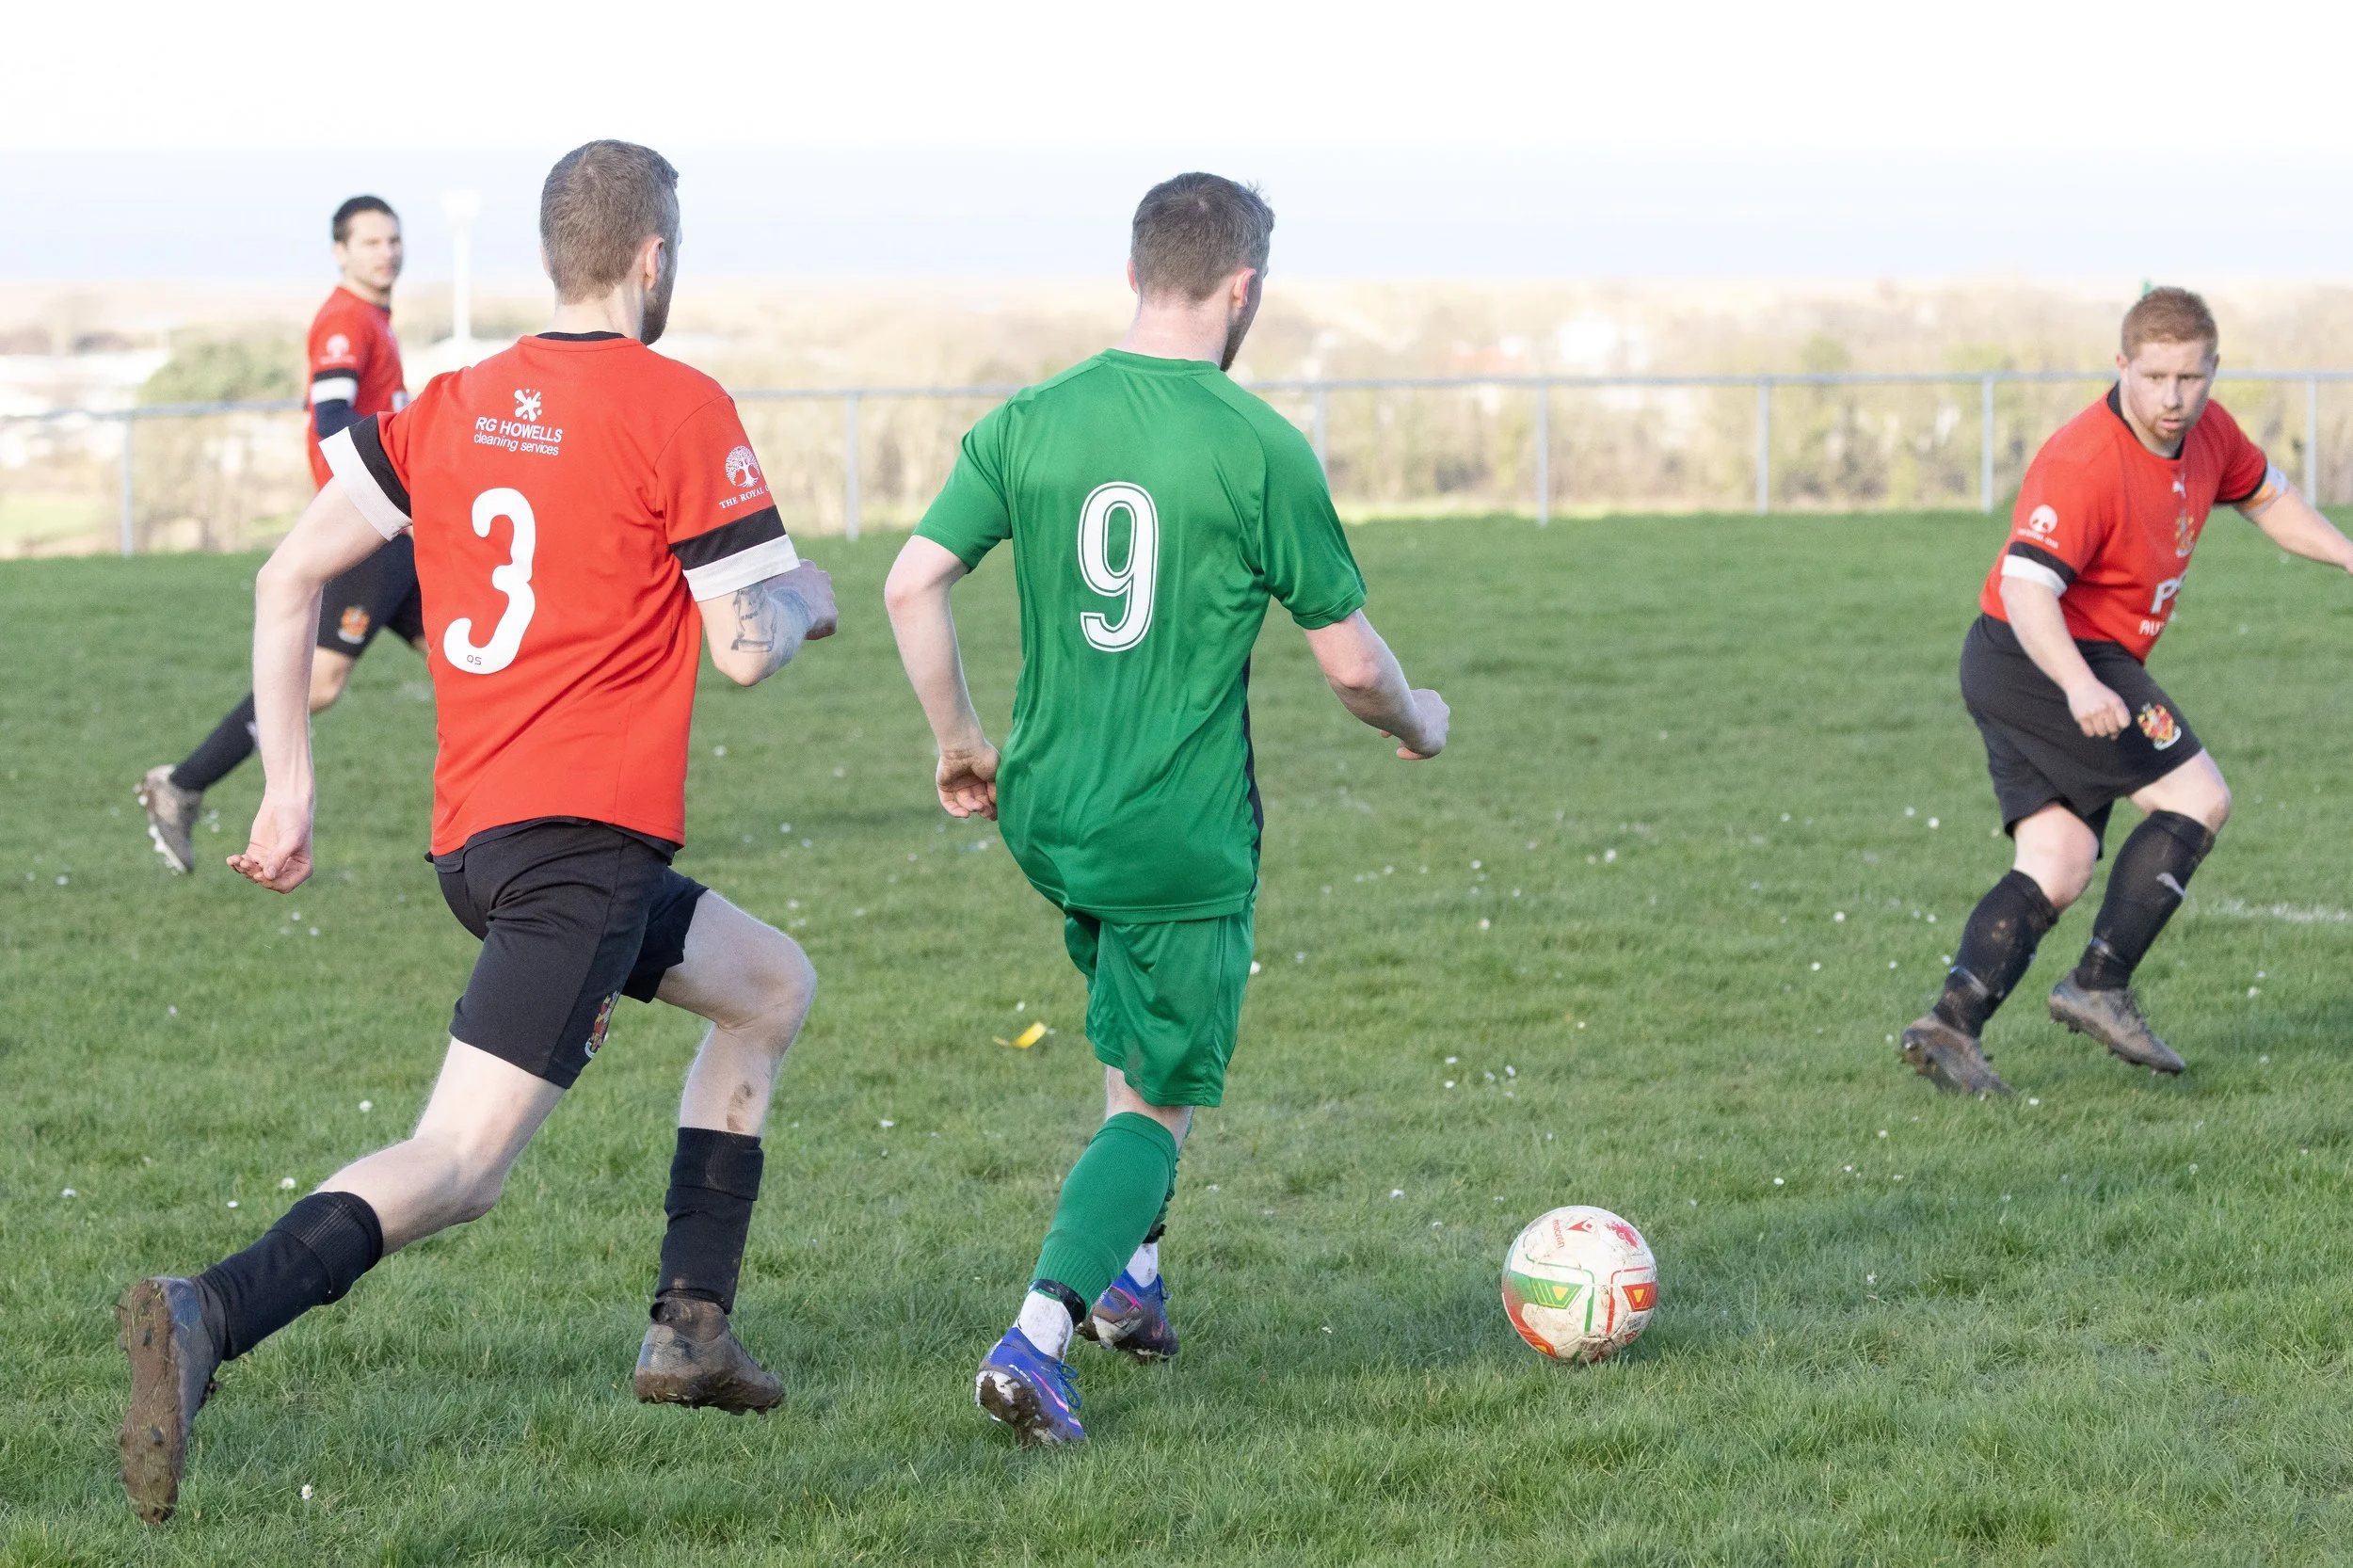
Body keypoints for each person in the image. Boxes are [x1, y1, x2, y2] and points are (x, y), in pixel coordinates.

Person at [115, 141, 838, 1524]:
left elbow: (288, 573)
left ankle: (691, 1326)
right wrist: (802, 594)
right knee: (460, 1164)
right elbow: (746, 649)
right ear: (653, 258)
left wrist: (289, 783)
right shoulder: (677, 401)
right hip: (580, 845)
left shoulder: (454, 402)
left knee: (767, 986)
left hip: (491, 838)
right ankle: (210, 1308)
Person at [884, 172, 1449, 1444]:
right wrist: (1425, 722)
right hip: (1177, 831)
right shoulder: (1254, 444)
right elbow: (1356, 667)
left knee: (1129, 1035)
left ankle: (1131, 1286)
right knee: (1157, 1103)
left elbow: (913, 583)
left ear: (1138, 274)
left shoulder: (1032, 417)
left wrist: (962, 741)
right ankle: (1036, 1339)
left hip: (1050, 813)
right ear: (1243, 287)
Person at [1900, 286, 2353, 1095]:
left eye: (2190, 377)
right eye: (2154, 378)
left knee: (2060, 861)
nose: (2173, 398)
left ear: (2214, 369)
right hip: (2041, 655)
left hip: (2055, 660)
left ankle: (1950, 1025)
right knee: (2199, 798)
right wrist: (2077, 686)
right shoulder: (2084, 460)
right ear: (2122, 366)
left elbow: (2270, 501)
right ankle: (2099, 984)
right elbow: (2027, 587)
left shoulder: (2211, 434)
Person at [138, 195, 424, 873]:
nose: (386, 252)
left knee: (473, 657)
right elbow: (330, 419)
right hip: (371, 526)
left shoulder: (374, 320)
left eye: (393, 240)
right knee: (320, 681)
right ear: (341, 251)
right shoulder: (344, 321)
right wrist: (369, 496)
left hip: (400, 530)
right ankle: (181, 785)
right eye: (371, 242)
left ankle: (513, 830)